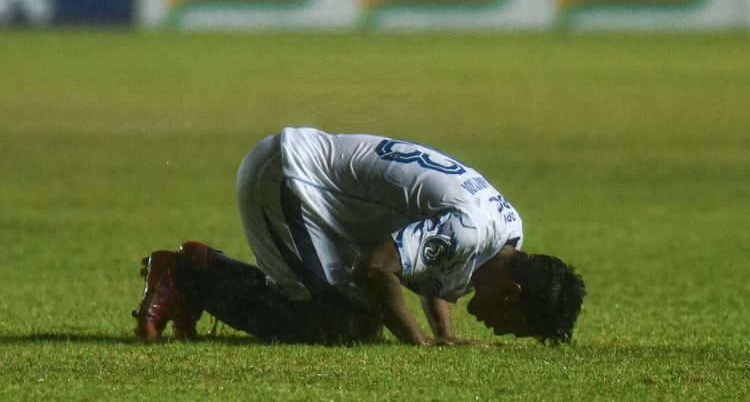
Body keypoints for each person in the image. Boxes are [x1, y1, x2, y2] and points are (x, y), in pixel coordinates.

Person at [133, 127, 585, 345]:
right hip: (292, 177)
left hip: (317, 179)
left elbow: (435, 264)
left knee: (362, 325)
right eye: (516, 325)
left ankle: (203, 268)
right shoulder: (471, 230)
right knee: (330, 329)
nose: (502, 331)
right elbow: (375, 269)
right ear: (512, 292)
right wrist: (419, 343)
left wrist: (442, 331)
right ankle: (188, 274)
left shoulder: (507, 230)